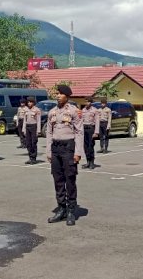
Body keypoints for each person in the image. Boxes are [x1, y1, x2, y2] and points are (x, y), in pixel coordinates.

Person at [46, 85, 84, 226]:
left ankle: (71, 211)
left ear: (67, 96)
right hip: (56, 148)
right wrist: (48, 151)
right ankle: (61, 209)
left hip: (69, 148)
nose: (57, 95)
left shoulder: (74, 111)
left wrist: (78, 152)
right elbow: (49, 132)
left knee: (70, 180)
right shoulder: (52, 112)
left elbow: (79, 132)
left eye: (60, 94)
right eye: (57, 93)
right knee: (58, 180)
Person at [81, 97, 100, 169]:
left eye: (88, 102)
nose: (86, 103)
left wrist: (96, 132)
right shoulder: (83, 110)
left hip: (91, 129)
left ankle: (92, 162)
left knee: (90, 146)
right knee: (85, 147)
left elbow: (97, 122)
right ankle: (87, 162)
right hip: (84, 129)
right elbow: (81, 120)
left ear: (91, 102)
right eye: (85, 102)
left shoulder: (95, 110)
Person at [23, 96, 42, 164]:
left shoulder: (37, 110)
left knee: (33, 143)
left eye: (30, 102)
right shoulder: (26, 110)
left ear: (33, 103)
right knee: (28, 143)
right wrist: (24, 129)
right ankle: (30, 157)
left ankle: (33, 158)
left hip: (34, 127)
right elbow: (24, 120)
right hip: (28, 127)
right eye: (28, 102)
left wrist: (38, 131)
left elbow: (39, 121)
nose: (29, 103)